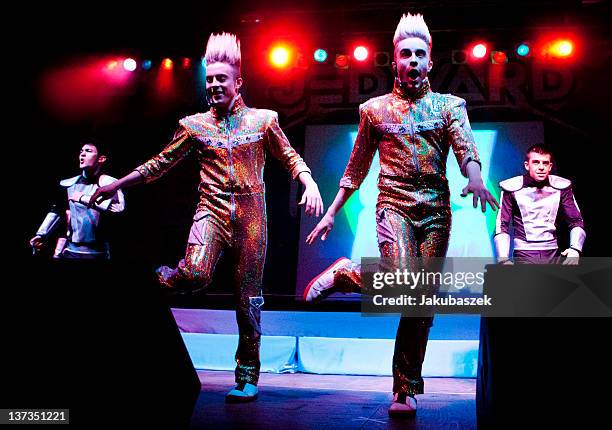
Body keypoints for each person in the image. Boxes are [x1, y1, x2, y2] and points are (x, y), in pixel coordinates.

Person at [88, 32, 323, 403]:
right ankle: (158, 278)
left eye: (221, 79)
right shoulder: (194, 125)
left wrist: (308, 182)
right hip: (210, 210)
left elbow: (290, 156)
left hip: (252, 217)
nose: (214, 84)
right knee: (195, 274)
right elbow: (160, 163)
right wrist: (118, 182)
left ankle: (247, 377)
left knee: (248, 300)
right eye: (210, 79)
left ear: (238, 82)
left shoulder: (264, 120)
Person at [304, 13, 498, 417]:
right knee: (405, 278)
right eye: (405, 54)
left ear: (430, 61)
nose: (412, 60)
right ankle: (346, 274)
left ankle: (405, 389)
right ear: (394, 62)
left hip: (436, 211)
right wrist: (331, 212)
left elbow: (466, 150)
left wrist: (477, 178)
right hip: (393, 204)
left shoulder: (449, 106)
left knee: (419, 300)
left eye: (419, 54)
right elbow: (356, 167)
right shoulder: (374, 110)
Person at [29, 140, 125, 260]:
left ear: (101, 159)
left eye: (88, 151)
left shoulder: (109, 183)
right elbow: (57, 211)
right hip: (71, 250)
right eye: (81, 151)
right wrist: (41, 234)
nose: (82, 154)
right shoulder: (69, 184)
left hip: (99, 253)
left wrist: (82, 198)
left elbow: (117, 208)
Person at [494, 144, 585, 264]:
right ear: (527, 165)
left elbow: (576, 221)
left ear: (550, 166)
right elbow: (502, 224)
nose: (541, 167)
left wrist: (575, 249)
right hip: (524, 254)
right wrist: (503, 259)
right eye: (536, 162)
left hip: (553, 253)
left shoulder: (561, 187)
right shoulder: (511, 188)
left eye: (545, 163)